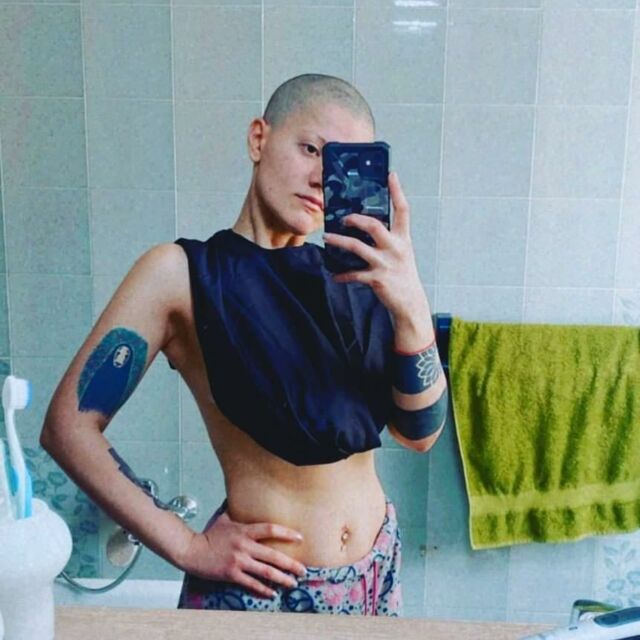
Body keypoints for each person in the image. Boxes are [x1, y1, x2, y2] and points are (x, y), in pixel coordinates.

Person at [40, 74, 448, 616]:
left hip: (377, 572)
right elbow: (67, 427)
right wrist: (187, 546)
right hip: (264, 590)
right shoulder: (179, 274)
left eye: (344, 165)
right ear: (259, 138)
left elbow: (419, 434)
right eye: (310, 150)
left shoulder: (362, 279)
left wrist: (412, 306)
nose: (321, 178)